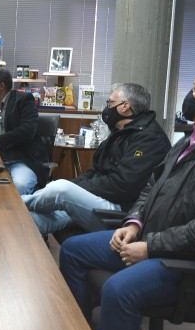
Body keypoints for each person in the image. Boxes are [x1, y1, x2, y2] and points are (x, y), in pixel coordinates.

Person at [59, 58, 195, 330]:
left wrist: (151, 246)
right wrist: (134, 223)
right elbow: (152, 185)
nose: (189, 95)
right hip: (152, 239)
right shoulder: (190, 140)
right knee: (73, 250)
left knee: (118, 289)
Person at [22, 83, 171, 235]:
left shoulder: (150, 139)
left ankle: (19, 203)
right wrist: (76, 186)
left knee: (61, 189)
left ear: (125, 106)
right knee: (35, 218)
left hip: (121, 210)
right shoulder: (120, 133)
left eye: (110, 103)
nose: (107, 108)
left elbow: (123, 185)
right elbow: (95, 170)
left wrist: (76, 189)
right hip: (100, 200)